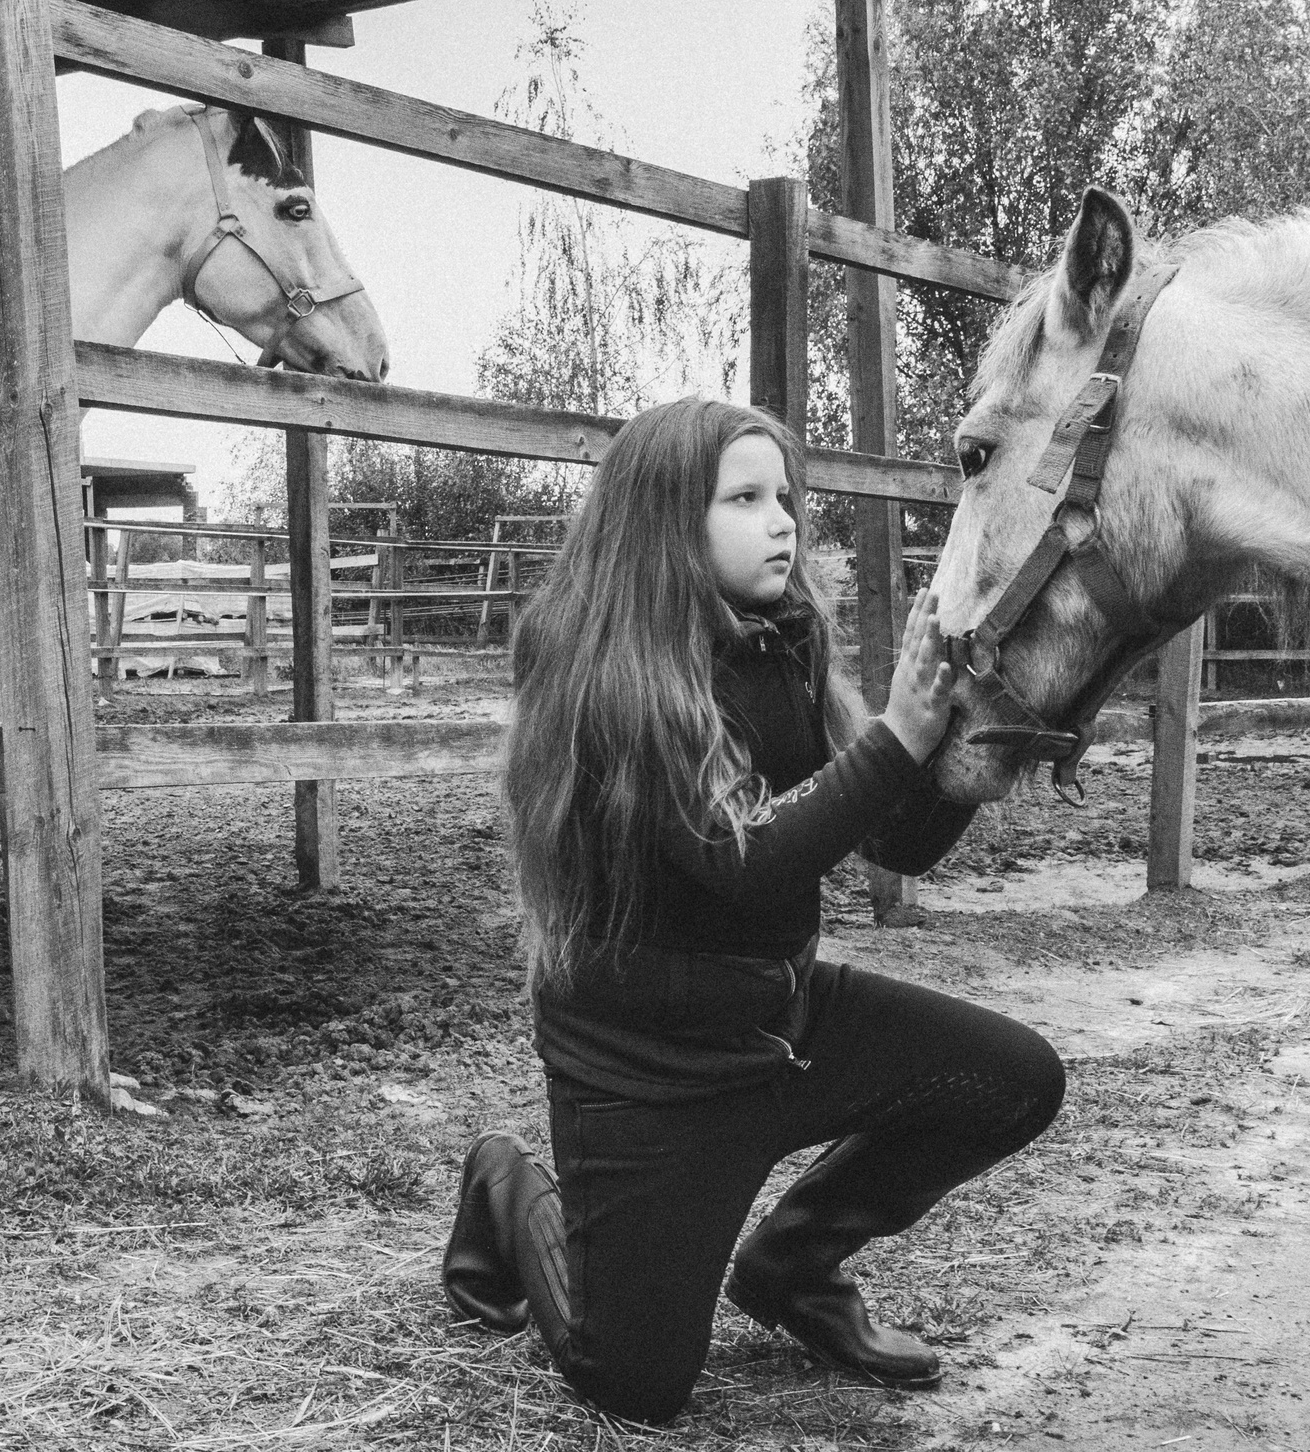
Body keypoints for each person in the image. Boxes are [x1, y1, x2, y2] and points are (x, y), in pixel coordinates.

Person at [441, 397, 1066, 1425]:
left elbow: (891, 839)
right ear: (663, 521)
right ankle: (507, 1184)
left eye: (785, 497)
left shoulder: (785, 643)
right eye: (744, 498)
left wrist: (976, 745)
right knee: (633, 1383)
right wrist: (897, 741)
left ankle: (791, 1265)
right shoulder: (606, 671)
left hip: (777, 1021)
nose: (781, 521)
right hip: (646, 1069)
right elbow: (746, 863)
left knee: (1008, 1080)